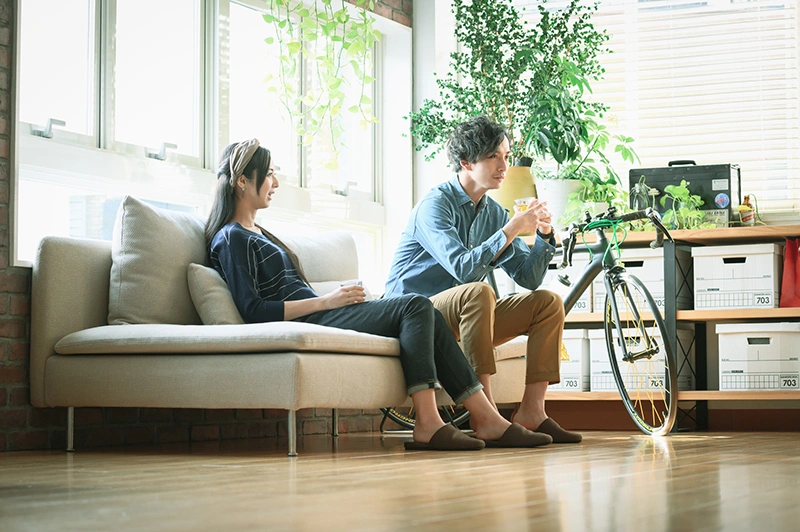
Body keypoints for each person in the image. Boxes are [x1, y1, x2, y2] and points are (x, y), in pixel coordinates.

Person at [205, 138, 554, 451]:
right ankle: (432, 423)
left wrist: (543, 237)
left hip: (325, 311)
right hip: (319, 314)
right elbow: (253, 311)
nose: (275, 182)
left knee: (425, 312)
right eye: (268, 174)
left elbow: (528, 276)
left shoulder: (259, 233)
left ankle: (485, 419)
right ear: (241, 181)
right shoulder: (232, 237)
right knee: (417, 305)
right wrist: (327, 300)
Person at [385, 116, 581, 444]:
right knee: (478, 291)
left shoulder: (492, 212)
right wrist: (513, 228)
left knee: (547, 303)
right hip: (418, 314)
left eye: (506, 156)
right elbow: (463, 269)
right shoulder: (436, 205)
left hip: (467, 314)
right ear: (465, 162)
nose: (504, 165)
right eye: (493, 156)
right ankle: (486, 414)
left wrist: (545, 235)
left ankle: (532, 412)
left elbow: (528, 278)